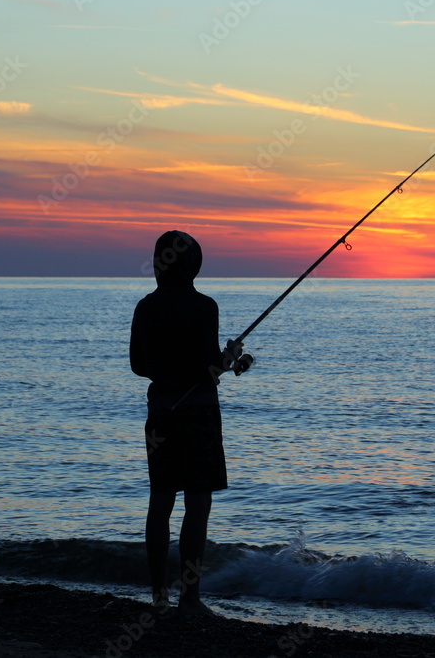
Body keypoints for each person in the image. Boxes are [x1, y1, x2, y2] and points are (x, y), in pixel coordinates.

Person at [129, 230, 250, 617]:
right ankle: (190, 600)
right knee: (197, 504)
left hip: (161, 413)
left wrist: (171, 370)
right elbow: (210, 368)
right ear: (194, 265)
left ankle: (159, 597)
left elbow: (137, 366)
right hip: (198, 414)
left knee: (160, 501)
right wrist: (230, 357)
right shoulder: (204, 307)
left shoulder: (145, 308)